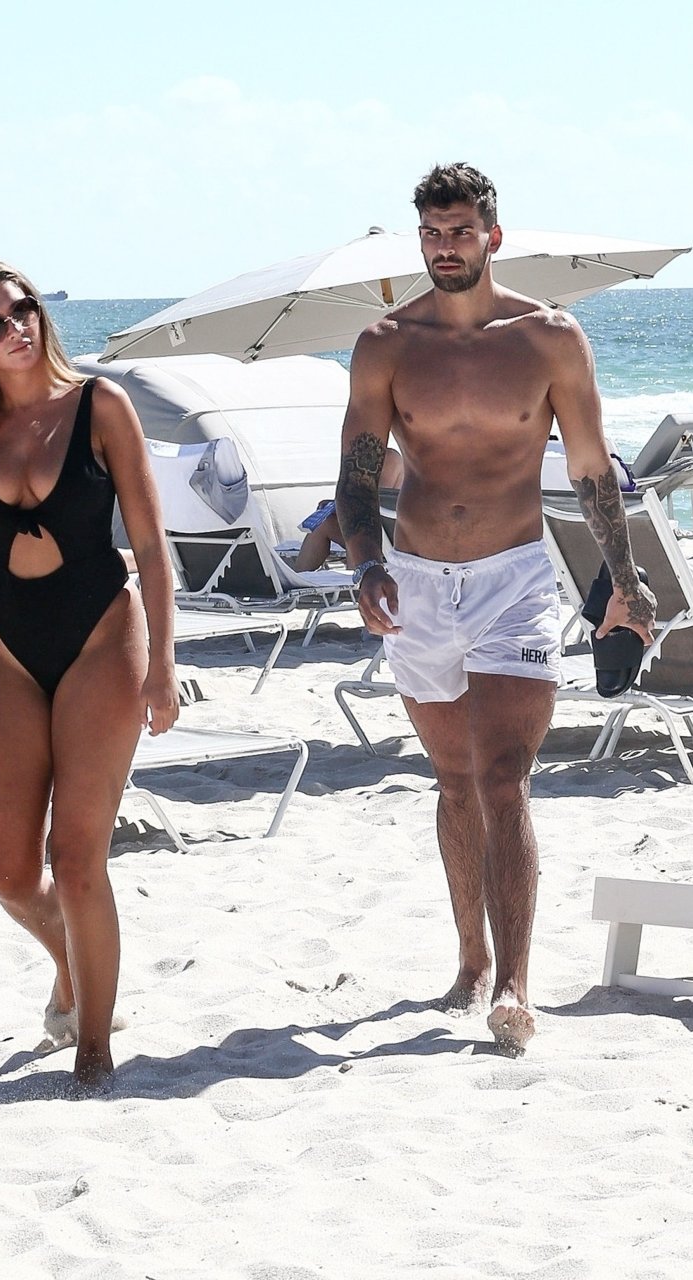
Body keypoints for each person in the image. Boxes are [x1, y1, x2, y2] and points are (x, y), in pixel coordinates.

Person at [335, 163, 656, 1056]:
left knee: (503, 774)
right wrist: (365, 567)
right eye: (431, 234)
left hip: (513, 578)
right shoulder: (385, 344)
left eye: (459, 231)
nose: (444, 247)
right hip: (415, 581)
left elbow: (590, 469)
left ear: (492, 236)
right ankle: (470, 960)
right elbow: (355, 476)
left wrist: (624, 581)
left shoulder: (548, 338)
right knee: (452, 781)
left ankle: (514, 982)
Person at [0, 261, 179, 1091]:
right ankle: (72, 969)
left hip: (102, 638)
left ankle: (93, 1052)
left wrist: (164, 663)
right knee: (12, 874)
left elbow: (151, 546)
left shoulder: (100, 406)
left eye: (23, 309)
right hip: (10, 649)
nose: (17, 326)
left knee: (78, 856)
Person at [295, 447, 404, 571]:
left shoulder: (388, 458)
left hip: (393, 538)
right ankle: (298, 576)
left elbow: (371, 502)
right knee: (324, 523)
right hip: (379, 531)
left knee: (354, 525)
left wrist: (339, 506)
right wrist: (334, 505)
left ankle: (357, 578)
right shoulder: (368, 458)